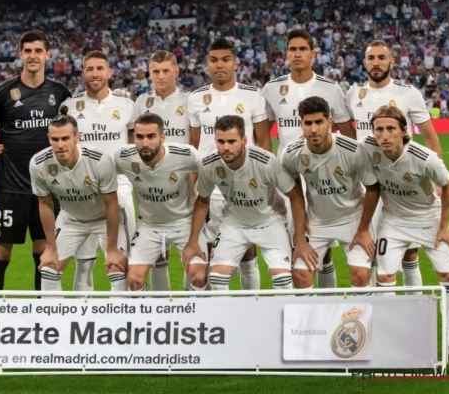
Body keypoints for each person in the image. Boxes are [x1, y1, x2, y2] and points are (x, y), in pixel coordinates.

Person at [359, 105, 449, 362]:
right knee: (385, 277)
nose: (384, 135)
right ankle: (392, 338)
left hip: (429, 219)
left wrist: (445, 225)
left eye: (390, 129)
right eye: (379, 129)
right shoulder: (367, 147)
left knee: (448, 275)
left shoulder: (424, 157)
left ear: (403, 130)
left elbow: (448, 185)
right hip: (393, 221)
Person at [0, 30, 71, 297]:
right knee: (0, 254)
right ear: (20, 54)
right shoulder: (1, 93)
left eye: (38, 50)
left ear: (47, 54)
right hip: (10, 189)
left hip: (48, 191)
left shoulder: (61, 93)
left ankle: (42, 313)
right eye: (27, 51)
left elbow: (71, 133)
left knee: (44, 254)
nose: (33, 56)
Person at [345, 39, 443, 291]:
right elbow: (347, 136)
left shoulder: (407, 93)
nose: (376, 63)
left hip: (400, 183)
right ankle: (377, 307)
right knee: (370, 250)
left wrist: (437, 186)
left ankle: (413, 306)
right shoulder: (353, 94)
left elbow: (431, 139)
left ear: (392, 61)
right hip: (366, 185)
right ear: (364, 62)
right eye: (371, 58)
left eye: (381, 57)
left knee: (409, 254)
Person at [262, 29, 355, 289]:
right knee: (297, 243)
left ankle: (326, 303)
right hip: (289, 174)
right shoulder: (271, 89)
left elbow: (348, 135)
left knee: (324, 248)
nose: (297, 54)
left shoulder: (330, 88)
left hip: (325, 174)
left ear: (313, 54)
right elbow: (262, 134)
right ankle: (302, 303)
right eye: (292, 49)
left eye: (303, 49)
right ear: (286, 54)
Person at [182, 115, 316, 291]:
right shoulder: (209, 165)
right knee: (217, 280)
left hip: (269, 222)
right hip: (234, 223)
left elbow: (295, 195)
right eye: (221, 141)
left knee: (283, 281)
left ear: (244, 140)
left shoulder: (266, 162)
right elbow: (202, 201)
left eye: (232, 141)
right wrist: (193, 242)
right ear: (215, 141)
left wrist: (299, 240)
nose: (226, 147)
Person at [187, 38, 273, 290]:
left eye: (225, 59)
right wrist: (191, 188)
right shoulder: (196, 98)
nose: (219, 65)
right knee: (207, 251)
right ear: (207, 64)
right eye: (214, 60)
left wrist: (263, 183)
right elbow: (195, 147)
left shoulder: (252, 95)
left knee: (248, 251)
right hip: (209, 188)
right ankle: (210, 308)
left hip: (245, 185)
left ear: (235, 63)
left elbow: (264, 142)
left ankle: (250, 306)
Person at [280, 96, 380, 293]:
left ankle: (363, 313)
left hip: (353, 218)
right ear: (301, 124)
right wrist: (299, 238)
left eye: (319, 122)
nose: (313, 129)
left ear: (329, 122)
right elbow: (295, 194)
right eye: (308, 123)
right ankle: (314, 314)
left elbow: (373, 188)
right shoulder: (291, 154)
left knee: (360, 275)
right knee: (300, 275)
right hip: (317, 221)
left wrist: (363, 229)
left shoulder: (352, 150)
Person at [59, 50, 138, 292]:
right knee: (84, 263)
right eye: (90, 69)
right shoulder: (69, 107)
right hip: (81, 191)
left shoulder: (127, 105)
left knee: (121, 263)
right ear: (83, 73)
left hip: (118, 188)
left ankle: (122, 314)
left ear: (109, 72)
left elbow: (134, 144)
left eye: (100, 68)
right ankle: (84, 312)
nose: (95, 74)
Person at [29, 109, 128, 292]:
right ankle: (53, 312)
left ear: (77, 137)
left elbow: (112, 204)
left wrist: (112, 249)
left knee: (117, 269)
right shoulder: (39, 163)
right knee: (49, 269)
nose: (60, 145)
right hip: (71, 219)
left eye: (65, 139)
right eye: (55, 139)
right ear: (49, 139)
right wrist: (51, 247)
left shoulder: (99, 160)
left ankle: (120, 311)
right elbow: (45, 204)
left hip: (105, 219)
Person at [115, 113, 208, 292]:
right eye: (140, 137)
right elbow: (102, 176)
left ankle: (194, 309)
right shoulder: (123, 157)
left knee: (198, 276)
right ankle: (155, 309)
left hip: (185, 223)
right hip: (149, 226)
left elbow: (210, 175)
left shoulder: (186, 155)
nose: (145, 143)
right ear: (133, 137)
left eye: (151, 136)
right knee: (133, 280)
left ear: (162, 137)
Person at [135, 50, 191, 291]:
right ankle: (161, 308)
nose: (160, 76)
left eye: (166, 71)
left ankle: (192, 304)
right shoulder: (141, 102)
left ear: (176, 71)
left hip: (184, 184)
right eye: (155, 71)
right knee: (158, 254)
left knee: (192, 254)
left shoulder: (189, 101)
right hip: (152, 183)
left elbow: (195, 141)